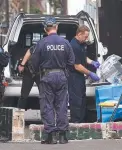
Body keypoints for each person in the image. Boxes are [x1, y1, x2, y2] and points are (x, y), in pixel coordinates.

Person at [31, 17, 75, 144]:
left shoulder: (42, 43)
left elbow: (34, 62)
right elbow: (72, 62)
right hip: (61, 76)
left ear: (45, 29)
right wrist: (65, 73)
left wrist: (37, 72)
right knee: (62, 105)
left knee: (47, 105)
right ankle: (63, 136)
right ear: (56, 27)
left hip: (47, 76)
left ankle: (50, 136)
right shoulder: (65, 43)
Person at [68, 25, 100, 123]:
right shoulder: (73, 46)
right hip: (73, 76)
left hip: (80, 77)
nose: (86, 39)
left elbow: (83, 57)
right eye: (85, 36)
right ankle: (76, 123)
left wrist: (92, 62)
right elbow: (77, 65)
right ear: (79, 34)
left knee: (82, 100)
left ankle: (82, 122)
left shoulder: (81, 44)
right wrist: (90, 73)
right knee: (76, 101)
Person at [17, 45, 40, 110]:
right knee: (23, 96)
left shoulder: (37, 49)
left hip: (32, 74)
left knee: (23, 96)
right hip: (32, 74)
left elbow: (20, 68)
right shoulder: (41, 49)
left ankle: (19, 114)